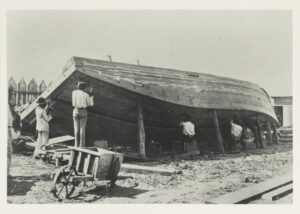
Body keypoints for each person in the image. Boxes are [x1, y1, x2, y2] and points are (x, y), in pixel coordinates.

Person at [72, 80, 94, 147]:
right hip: (83, 111)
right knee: (82, 129)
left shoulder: (74, 92)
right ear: (84, 87)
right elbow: (90, 104)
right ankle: (82, 145)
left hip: (76, 110)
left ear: (78, 86)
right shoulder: (86, 95)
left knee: (76, 128)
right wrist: (91, 97)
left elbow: (73, 103)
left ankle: (76, 144)